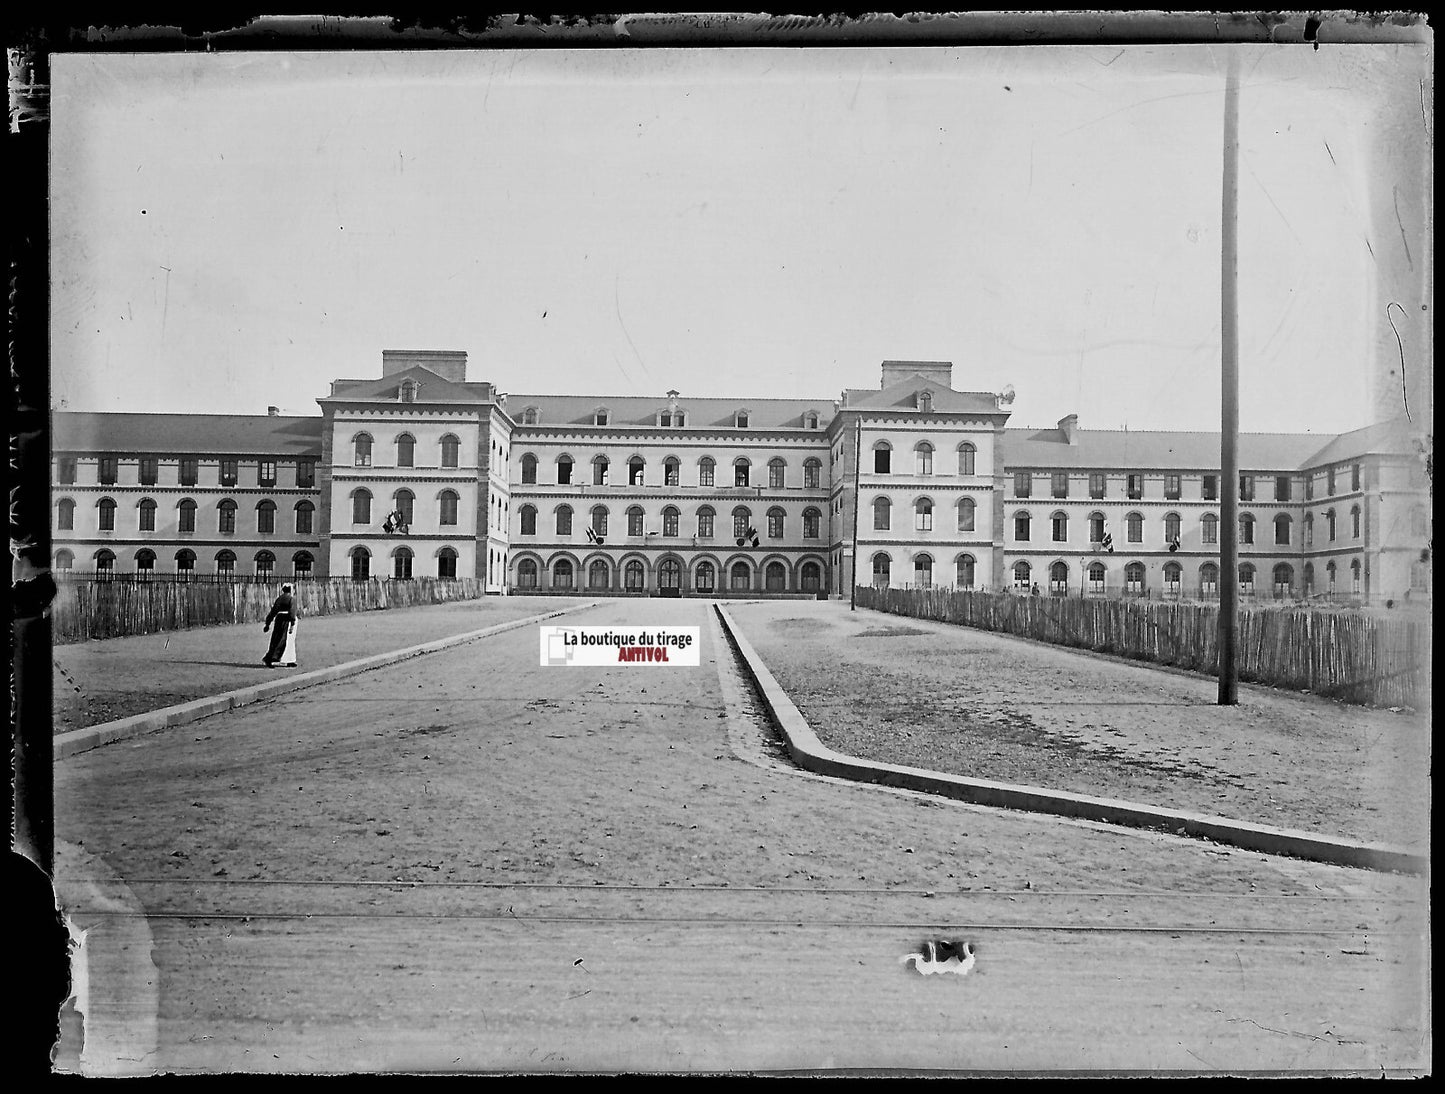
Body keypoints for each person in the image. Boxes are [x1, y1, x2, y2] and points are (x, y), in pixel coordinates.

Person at [262, 583, 295, 667]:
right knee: (284, 640)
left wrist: (267, 623)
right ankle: (272, 658)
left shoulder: (279, 598)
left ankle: (274, 657)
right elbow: (292, 612)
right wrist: (292, 623)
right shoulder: (291, 599)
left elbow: (273, 611)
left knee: (276, 638)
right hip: (286, 619)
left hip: (278, 619)